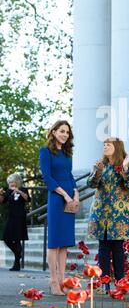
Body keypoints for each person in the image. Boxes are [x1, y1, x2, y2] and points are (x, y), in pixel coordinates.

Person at [87, 137, 129, 292]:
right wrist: (97, 171)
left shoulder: (125, 164)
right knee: (103, 246)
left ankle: (120, 282)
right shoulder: (100, 164)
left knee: (117, 248)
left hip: (119, 212)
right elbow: (91, 184)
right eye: (104, 144)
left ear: (117, 147)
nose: (105, 147)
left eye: (109, 144)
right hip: (101, 211)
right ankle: (105, 282)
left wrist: (125, 167)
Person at [39, 120, 79, 295]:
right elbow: (47, 177)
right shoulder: (45, 151)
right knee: (54, 242)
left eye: (67, 132)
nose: (65, 134)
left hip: (70, 197)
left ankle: (63, 280)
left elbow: (68, 175)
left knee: (64, 243)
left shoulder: (67, 152)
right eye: (62, 131)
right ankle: (53, 281)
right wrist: (64, 194)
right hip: (56, 197)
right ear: (54, 132)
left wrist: (75, 192)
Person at [0, 174, 31, 271]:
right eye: (9, 182)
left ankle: (16, 264)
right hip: (11, 216)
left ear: (17, 181)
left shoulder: (23, 189)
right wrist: (0, 194)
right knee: (6, 238)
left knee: (17, 239)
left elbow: (28, 199)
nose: (10, 184)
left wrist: (19, 192)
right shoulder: (9, 191)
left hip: (20, 216)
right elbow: (2, 201)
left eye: (11, 182)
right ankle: (18, 254)